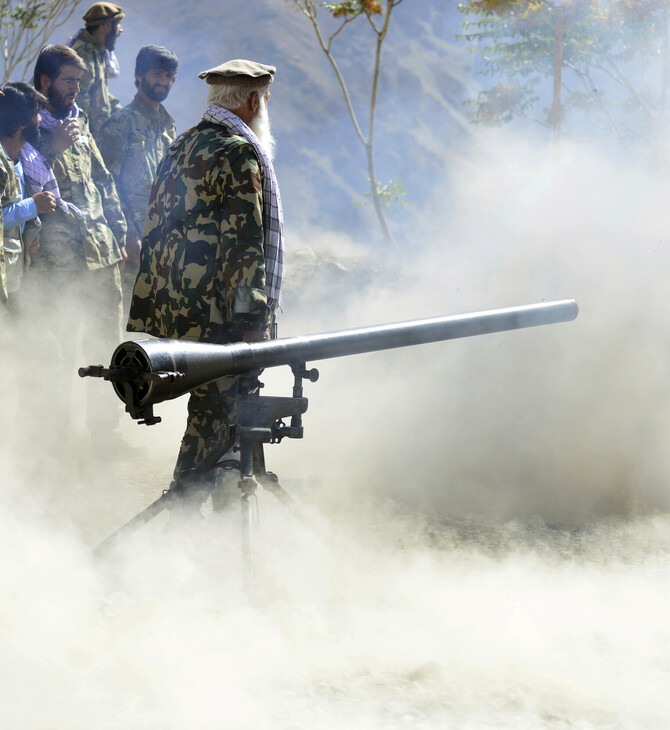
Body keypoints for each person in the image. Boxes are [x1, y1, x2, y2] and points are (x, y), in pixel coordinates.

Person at [127, 59, 284, 510]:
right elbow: (245, 246)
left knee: (215, 412)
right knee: (216, 417)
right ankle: (188, 518)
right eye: (265, 101)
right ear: (253, 100)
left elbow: (155, 226)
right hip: (219, 318)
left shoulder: (183, 143)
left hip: (177, 309)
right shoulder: (238, 152)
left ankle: (215, 511)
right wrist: (255, 324)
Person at [30, 44, 127, 441]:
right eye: (69, 81)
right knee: (59, 349)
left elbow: (103, 181)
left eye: (80, 82)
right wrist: (53, 150)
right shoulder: (26, 126)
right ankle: (53, 438)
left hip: (101, 257)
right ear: (46, 81)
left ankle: (105, 432)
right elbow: (23, 187)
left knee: (107, 345)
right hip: (58, 262)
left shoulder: (79, 120)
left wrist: (119, 235)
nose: (75, 90)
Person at [98, 45, 178, 315]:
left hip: (163, 243)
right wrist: (128, 235)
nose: (164, 82)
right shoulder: (120, 124)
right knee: (129, 326)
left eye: (169, 76)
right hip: (131, 248)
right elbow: (104, 185)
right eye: (157, 74)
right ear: (140, 76)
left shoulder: (168, 126)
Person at [0, 83, 57, 309]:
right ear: (21, 123)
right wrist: (33, 206)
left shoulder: (22, 161)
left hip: (13, 279)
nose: (41, 120)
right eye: (35, 113)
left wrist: (30, 230)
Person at [69, 2, 124, 140]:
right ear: (106, 26)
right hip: (80, 136)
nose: (121, 30)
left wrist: (124, 114)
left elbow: (100, 92)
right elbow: (79, 102)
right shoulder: (85, 54)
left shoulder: (96, 52)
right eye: (118, 25)